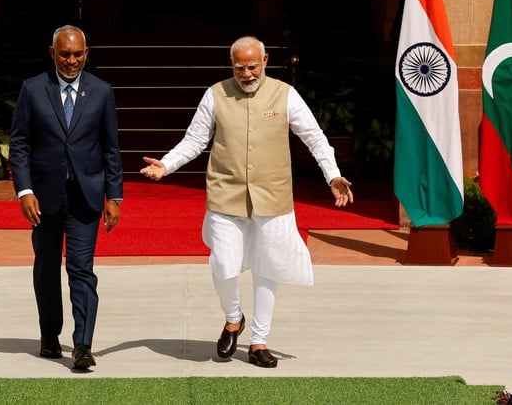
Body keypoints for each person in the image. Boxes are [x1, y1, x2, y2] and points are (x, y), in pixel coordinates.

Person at [140, 35, 353, 368]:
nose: (247, 74)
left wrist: (333, 175)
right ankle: (233, 317)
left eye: (253, 66)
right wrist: (166, 165)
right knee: (223, 262)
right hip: (226, 193)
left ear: (265, 61)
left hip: (273, 194)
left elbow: (314, 137)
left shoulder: (285, 94)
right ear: (232, 66)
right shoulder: (215, 94)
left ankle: (258, 341)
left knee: (269, 267)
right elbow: (194, 141)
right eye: (239, 68)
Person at [9, 25, 123, 370]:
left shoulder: (101, 92)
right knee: (46, 268)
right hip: (43, 199)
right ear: (52, 52)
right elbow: (19, 144)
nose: (71, 61)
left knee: (81, 270)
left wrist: (114, 195)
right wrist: (24, 190)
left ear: (86, 53)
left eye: (77, 54)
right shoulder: (33, 89)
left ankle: (83, 346)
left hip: (85, 197)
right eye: (64, 54)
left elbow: (110, 147)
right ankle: (49, 334)